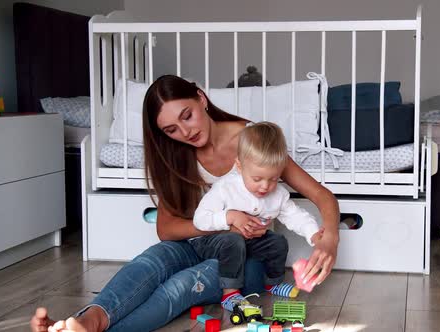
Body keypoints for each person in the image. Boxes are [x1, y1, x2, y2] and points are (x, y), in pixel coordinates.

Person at [30, 75, 339, 332]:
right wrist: (224, 221)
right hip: (199, 241)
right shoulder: (176, 154)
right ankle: (88, 321)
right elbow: (166, 229)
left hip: (244, 256)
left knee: (184, 284)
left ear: (201, 99)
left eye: (187, 116)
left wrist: (328, 240)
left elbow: (321, 195)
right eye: (171, 130)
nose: (186, 132)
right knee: (151, 261)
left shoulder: (254, 143)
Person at [191, 122, 322, 312]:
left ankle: (273, 283)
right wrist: (230, 216)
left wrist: (314, 234)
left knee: (277, 242)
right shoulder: (226, 188)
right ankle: (230, 293)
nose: (265, 187)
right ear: (239, 166)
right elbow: (200, 220)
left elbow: (295, 216)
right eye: (257, 179)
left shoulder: (278, 194)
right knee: (233, 241)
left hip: (247, 242)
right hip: (211, 241)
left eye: (273, 179)